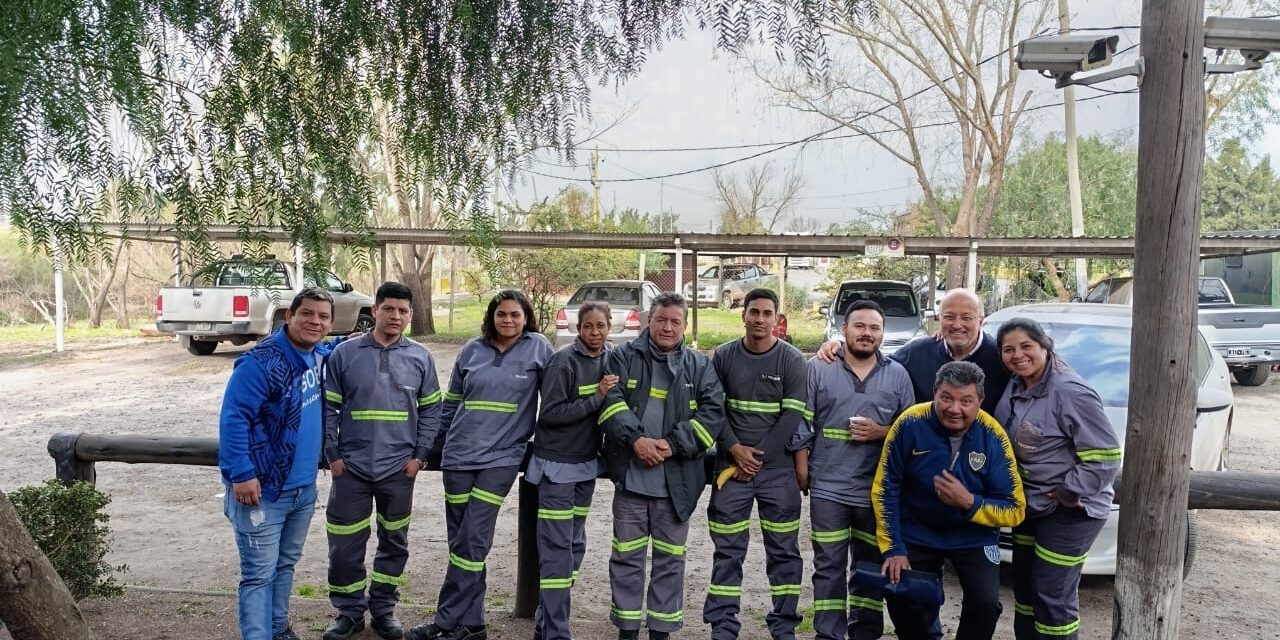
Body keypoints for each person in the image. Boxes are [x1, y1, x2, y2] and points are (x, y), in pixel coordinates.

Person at [407, 290, 553, 640]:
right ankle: (472, 624)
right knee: (461, 543)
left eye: (515, 315)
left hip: (501, 459)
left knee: (473, 540)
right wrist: (432, 448)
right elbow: (451, 403)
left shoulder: (538, 348)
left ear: (526, 317)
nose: (508, 320)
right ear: (492, 316)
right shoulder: (472, 348)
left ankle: (444, 622)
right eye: (502, 314)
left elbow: (552, 402)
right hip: (458, 457)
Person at [598, 292, 726, 640]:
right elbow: (610, 402)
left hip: (676, 484)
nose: (667, 327)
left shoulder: (701, 367)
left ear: (685, 325)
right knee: (626, 557)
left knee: (671, 561)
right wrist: (636, 441)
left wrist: (671, 446)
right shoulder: (622, 357)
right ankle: (626, 629)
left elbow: (712, 415)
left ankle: (661, 630)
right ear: (649, 320)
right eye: (661, 319)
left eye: (675, 321)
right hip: (632, 480)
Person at [321, 282, 442, 640]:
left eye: (403, 310)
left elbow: (432, 409)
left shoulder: (420, 357)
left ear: (410, 314)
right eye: (389, 309)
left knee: (394, 542)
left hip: (398, 470)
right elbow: (330, 407)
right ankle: (349, 613)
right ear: (375, 310)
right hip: (351, 470)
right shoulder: (344, 354)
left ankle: (384, 610)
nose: (396, 316)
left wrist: (419, 457)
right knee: (344, 546)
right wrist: (333, 455)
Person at [872, 361, 1026, 640]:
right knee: (901, 592)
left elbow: (1015, 509)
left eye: (966, 401)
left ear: (980, 400)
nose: (955, 409)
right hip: (917, 531)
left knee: (985, 604)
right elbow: (885, 488)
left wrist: (970, 502)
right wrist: (893, 547)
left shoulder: (993, 436)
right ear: (934, 393)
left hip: (973, 536)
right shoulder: (909, 423)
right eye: (946, 398)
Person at [219, 287, 337, 640]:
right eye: (307, 314)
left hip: (302, 489)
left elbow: (332, 348)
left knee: (285, 566)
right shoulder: (261, 362)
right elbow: (234, 418)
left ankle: (277, 628)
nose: (314, 321)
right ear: (290, 316)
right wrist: (241, 474)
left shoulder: (318, 355)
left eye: (323, 316)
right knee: (258, 574)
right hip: (263, 489)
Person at [793, 300, 914, 640]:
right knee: (828, 566)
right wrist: (802, 467)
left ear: (882, 334)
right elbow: (804, 420)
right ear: (843, 329)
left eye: (874, 328)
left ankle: (865, 632)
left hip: (876, 491)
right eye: (859, 326)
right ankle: (829, 633)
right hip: (828, 487)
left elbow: (911, 431)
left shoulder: (898, 375)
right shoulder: (819, 368)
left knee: (868, 566)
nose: (867, 333)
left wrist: (880, 432)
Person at [993, 318, 1120, 640]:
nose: (1018, 355)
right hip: (1030, 505)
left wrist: (1067, 491)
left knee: (1052, 595)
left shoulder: (1070, 391)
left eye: (1026, 347)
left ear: (1044, 346)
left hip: (1070, 510)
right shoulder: (1018, 382)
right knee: (1025, 590)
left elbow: (1105, 457)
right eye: (1009, 349)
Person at [703, 289, 808, 640]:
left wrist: (754, 459)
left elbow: (792, 415)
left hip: (776, 472)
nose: (760, 319)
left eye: (767, 313)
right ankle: (723, 626)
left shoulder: (792, 360)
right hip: (731, 468)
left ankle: (784, 627)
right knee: (727, 550)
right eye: (754, 312)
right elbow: (713, 409)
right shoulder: (724, 355)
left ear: (777, 319)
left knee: (784, 552)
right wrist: (734, 449)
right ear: (743, 315)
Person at [528, 302, 618, 640]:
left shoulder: (611, 359)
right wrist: (596, 398)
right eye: (588, 327)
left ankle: (544, 618)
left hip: (585, 466)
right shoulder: (564, 361)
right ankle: (556, 631)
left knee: (575, 546)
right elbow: (549, 414)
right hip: (556, 465)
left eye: (601, 326)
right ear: (577, 329)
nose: (595, 333)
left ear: (609, 327)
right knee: (556, 551)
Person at [817, 289, 1009, 414]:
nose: (957, 324)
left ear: (981, 320)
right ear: (939, 319)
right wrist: (840, 345)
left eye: (967, 317)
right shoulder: (917, 353)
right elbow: (876, 363)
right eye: (949, 317)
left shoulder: (1001, 360)